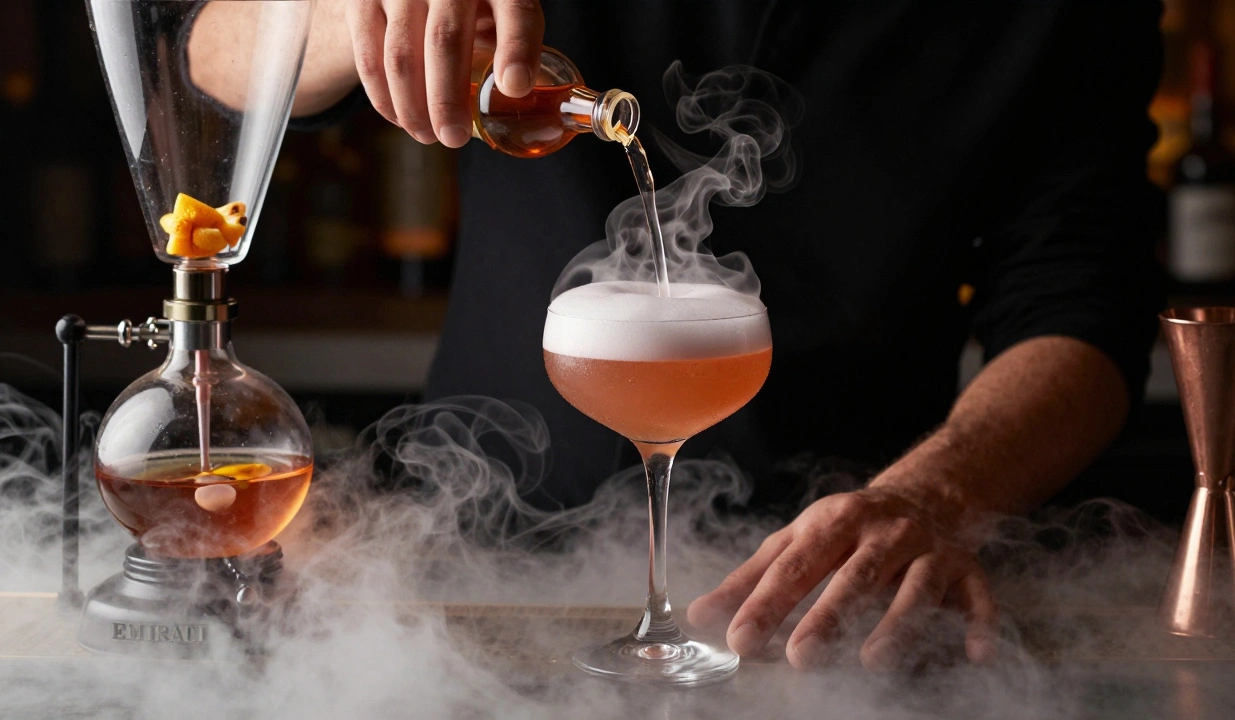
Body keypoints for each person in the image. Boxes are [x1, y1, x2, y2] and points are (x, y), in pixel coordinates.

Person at [191, 0, 1165, 671]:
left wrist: (933, 494)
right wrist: (350, 17)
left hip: (823, 590)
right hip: (463, 554)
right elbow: (203, 57)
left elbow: (1081, 306)